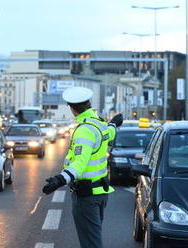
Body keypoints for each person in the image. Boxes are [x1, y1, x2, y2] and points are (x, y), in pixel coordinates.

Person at [42, 87, 123, 248]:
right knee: (93, 238)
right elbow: (110, 134)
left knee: (91, 243)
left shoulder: (84, 131)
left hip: (87, 196)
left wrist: (60, 179)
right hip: (100, 193)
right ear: (89, 104)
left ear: (72, 108)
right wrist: (114, 124)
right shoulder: (99, 123)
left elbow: (79, 164)